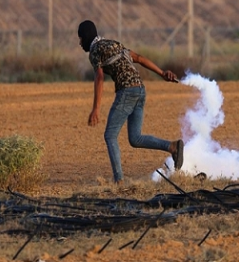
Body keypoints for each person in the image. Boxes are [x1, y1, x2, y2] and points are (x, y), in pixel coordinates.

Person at [78, 20, 183, 184]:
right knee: (135, 138)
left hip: (126, 91)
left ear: (85, 37)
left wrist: (96, 109)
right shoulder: (113, 44)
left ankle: (119, 181)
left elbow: (99, 77)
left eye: (80, 39)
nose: (79, 43)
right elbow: (139, 58)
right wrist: (162, 73)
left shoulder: (95, 51)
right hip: (140, 90)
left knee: (110, 135)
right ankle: (173, 147)